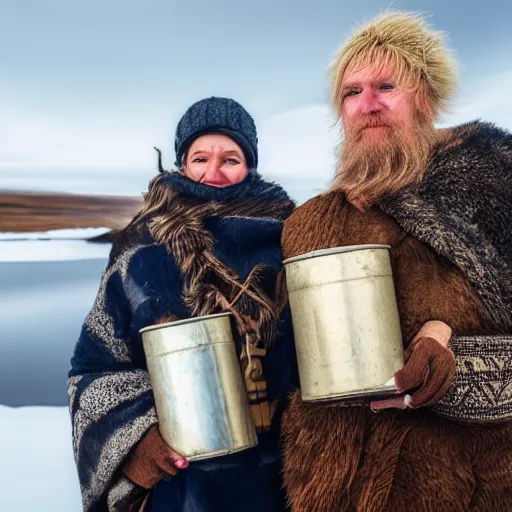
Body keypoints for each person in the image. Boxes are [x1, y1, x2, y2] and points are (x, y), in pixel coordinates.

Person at [280, 12, 511, 512]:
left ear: (424, 98)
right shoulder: (308, 223)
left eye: (386, 85)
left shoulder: (492, 189)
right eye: (351, 92)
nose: (368, 105)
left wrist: (449, 357)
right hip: (336, 487)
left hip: (470, 487)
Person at [68, 97, 297, 511]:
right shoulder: (141, 248)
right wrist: (139, 442)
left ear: (250, 165)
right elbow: (94, 366)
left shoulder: (288, 235)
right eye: (200, 158)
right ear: (181, 164)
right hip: (184, 478)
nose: (214, 173)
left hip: (285, 473)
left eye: (230, 158)